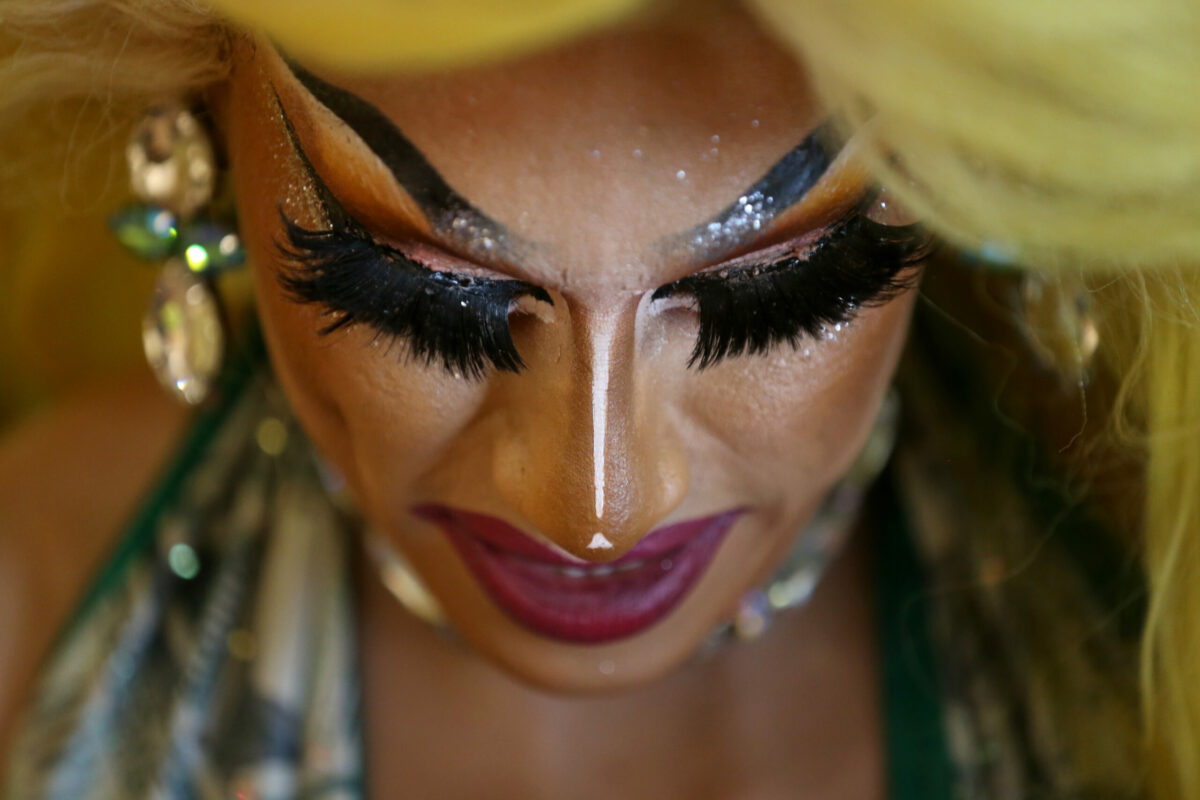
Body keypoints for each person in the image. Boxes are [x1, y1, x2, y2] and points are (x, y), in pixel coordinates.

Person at [0, 0, 1196, 797]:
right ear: (200, 114)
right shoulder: (29, 612)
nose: (597, 503)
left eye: (774, 292)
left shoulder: (1149, 596)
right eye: (427, 298)